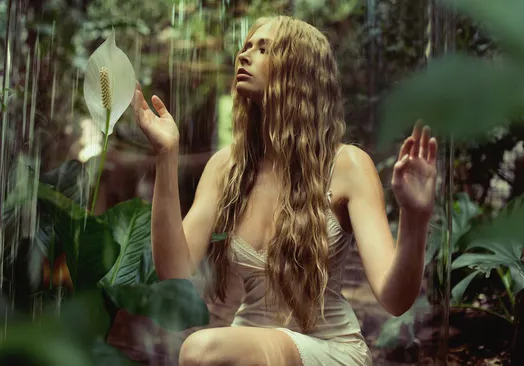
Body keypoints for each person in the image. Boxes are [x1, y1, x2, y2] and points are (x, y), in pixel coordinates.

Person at [132, 15, 437, 366]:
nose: (245, 56)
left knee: (200, 351)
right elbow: (175, 270)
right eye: (246, 47)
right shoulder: (225, 168)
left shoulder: (347, 165)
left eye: (264, 49)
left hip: (328, 348)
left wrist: (415, 217)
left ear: (299, 72)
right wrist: (166, 155)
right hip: (247, 344)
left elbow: (394, 298)